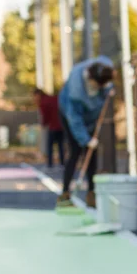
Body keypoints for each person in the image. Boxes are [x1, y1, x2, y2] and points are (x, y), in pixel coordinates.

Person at [57, 56, 115, 208]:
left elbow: (107, 78)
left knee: (92, 155)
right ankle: (64, 194)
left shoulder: (104, 68)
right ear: (91, 80)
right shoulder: (76, 92)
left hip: (92, 117)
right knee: (76, 151)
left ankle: (91, 193)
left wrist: (109, 90)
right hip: (70, 116)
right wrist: (85, 139)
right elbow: (74, 119)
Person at [34, 88, 65, 168]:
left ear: (38, 95)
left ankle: (50, 164)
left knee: (50, 146)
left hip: (53, 126)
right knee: (60, 145)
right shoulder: (54, 99)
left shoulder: (44, 102)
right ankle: (62, 163)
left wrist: (43, 124)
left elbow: (45, 116)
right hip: (61, 126)